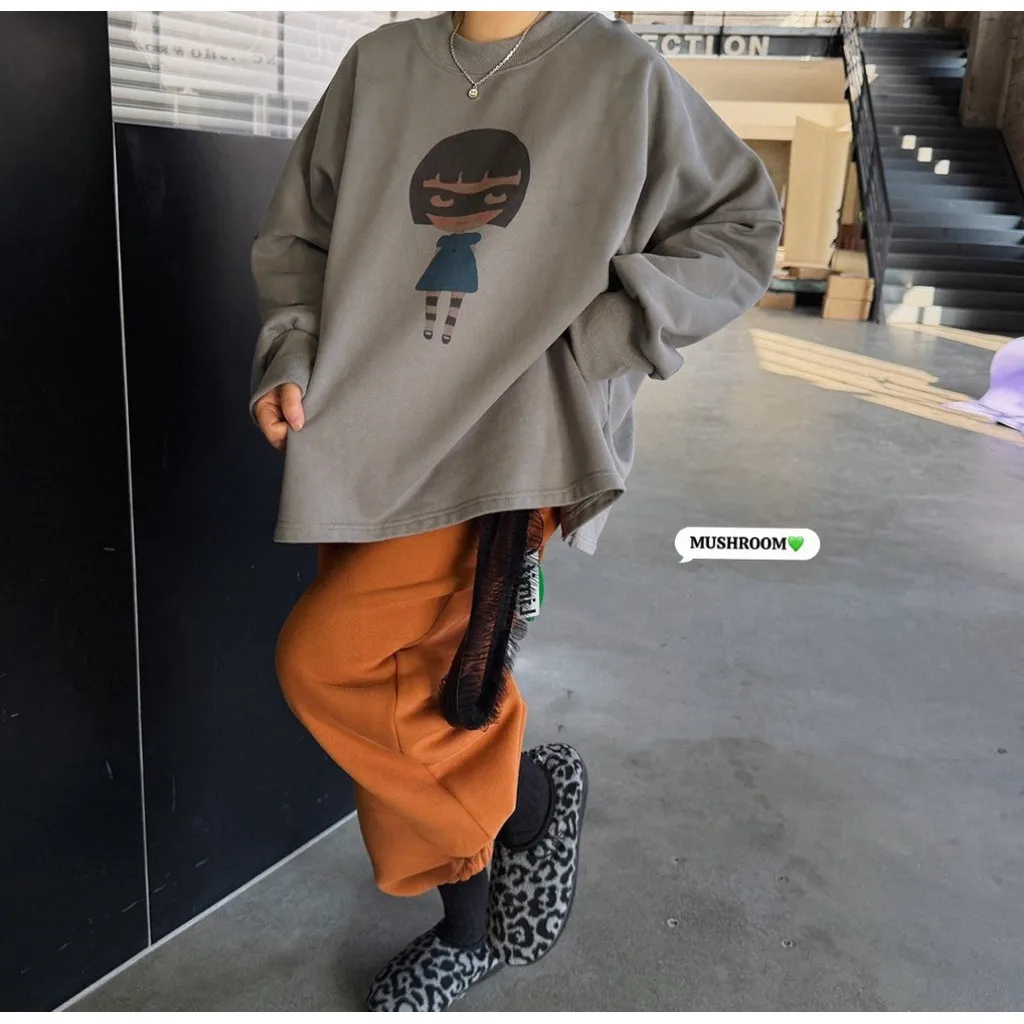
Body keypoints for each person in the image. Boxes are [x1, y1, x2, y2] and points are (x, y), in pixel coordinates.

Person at [250, 10, 781, 1012]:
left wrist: (594, 342)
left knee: (333, 662)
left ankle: (507, 847)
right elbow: (300, 241)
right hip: (362, 431)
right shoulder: (378, 65)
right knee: (413, 689)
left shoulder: (617, 71)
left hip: (513, 436)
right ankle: (497, 868)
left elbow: (741, 227)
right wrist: (290, 353)